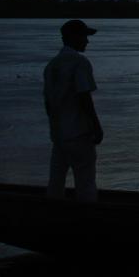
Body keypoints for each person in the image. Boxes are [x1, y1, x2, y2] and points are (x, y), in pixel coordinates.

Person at [44, 19, 103, 202]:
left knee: (55, 183)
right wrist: (96, 127)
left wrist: (55, 130)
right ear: (72, 37)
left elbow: (49, 104)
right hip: (79, 134)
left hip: (59, 136)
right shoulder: (79, 62)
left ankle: (53, 217)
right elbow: (84, 97)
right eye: (84, 36)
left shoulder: (52, 65)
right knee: (86, 183)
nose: (87, 41)